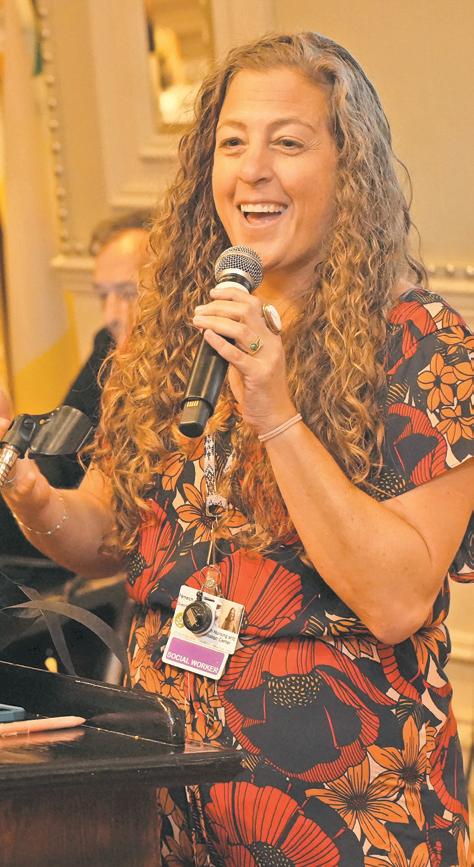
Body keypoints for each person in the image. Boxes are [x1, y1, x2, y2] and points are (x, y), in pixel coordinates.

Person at [1, 31, 473, 866]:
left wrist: (277, 414)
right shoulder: (170, 333)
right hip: (166, 805)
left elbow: (397, 599)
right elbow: (106, 534)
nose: (252, 169)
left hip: (346, 819)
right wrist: (33, 495)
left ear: (348, 168)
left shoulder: (422, 345)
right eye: (232, 143)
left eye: (287, 142)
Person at [0, 210, 151, 559]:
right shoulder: (109, 347)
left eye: (128, 293)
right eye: (103, 295)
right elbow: (61, 446)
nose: (112, 314)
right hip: (63, 512)